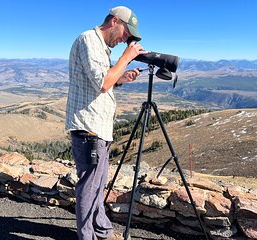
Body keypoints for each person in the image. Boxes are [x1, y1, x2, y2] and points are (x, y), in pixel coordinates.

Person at [65, 5, 147, 240]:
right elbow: (102, 82)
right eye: (126, 33)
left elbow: (102, 82)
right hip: (89, 127)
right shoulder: (89, 40)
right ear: (114, 21)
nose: (125, 39)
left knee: (97, 185)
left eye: (129, 38)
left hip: (98, 127)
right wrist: (126, 58)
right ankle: (88, 236)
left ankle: (102, 230)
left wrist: (121, 77)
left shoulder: (101, 47)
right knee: (89, 187)